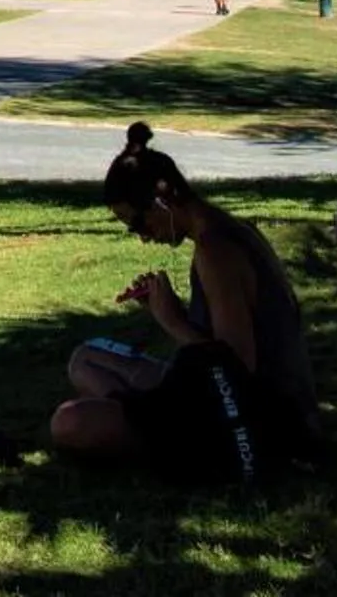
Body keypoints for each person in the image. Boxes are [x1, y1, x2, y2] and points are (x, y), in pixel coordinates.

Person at [48, 122, 322, 486]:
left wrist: (172, 320)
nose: (144, 238)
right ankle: (141, 417)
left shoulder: (216, 252)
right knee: (85, 359)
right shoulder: (231, 230)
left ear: (163, 197)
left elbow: (239, 373)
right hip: (213, 396)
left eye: (139, 224)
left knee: (69, 423)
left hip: (256, 419)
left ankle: (147, 430)